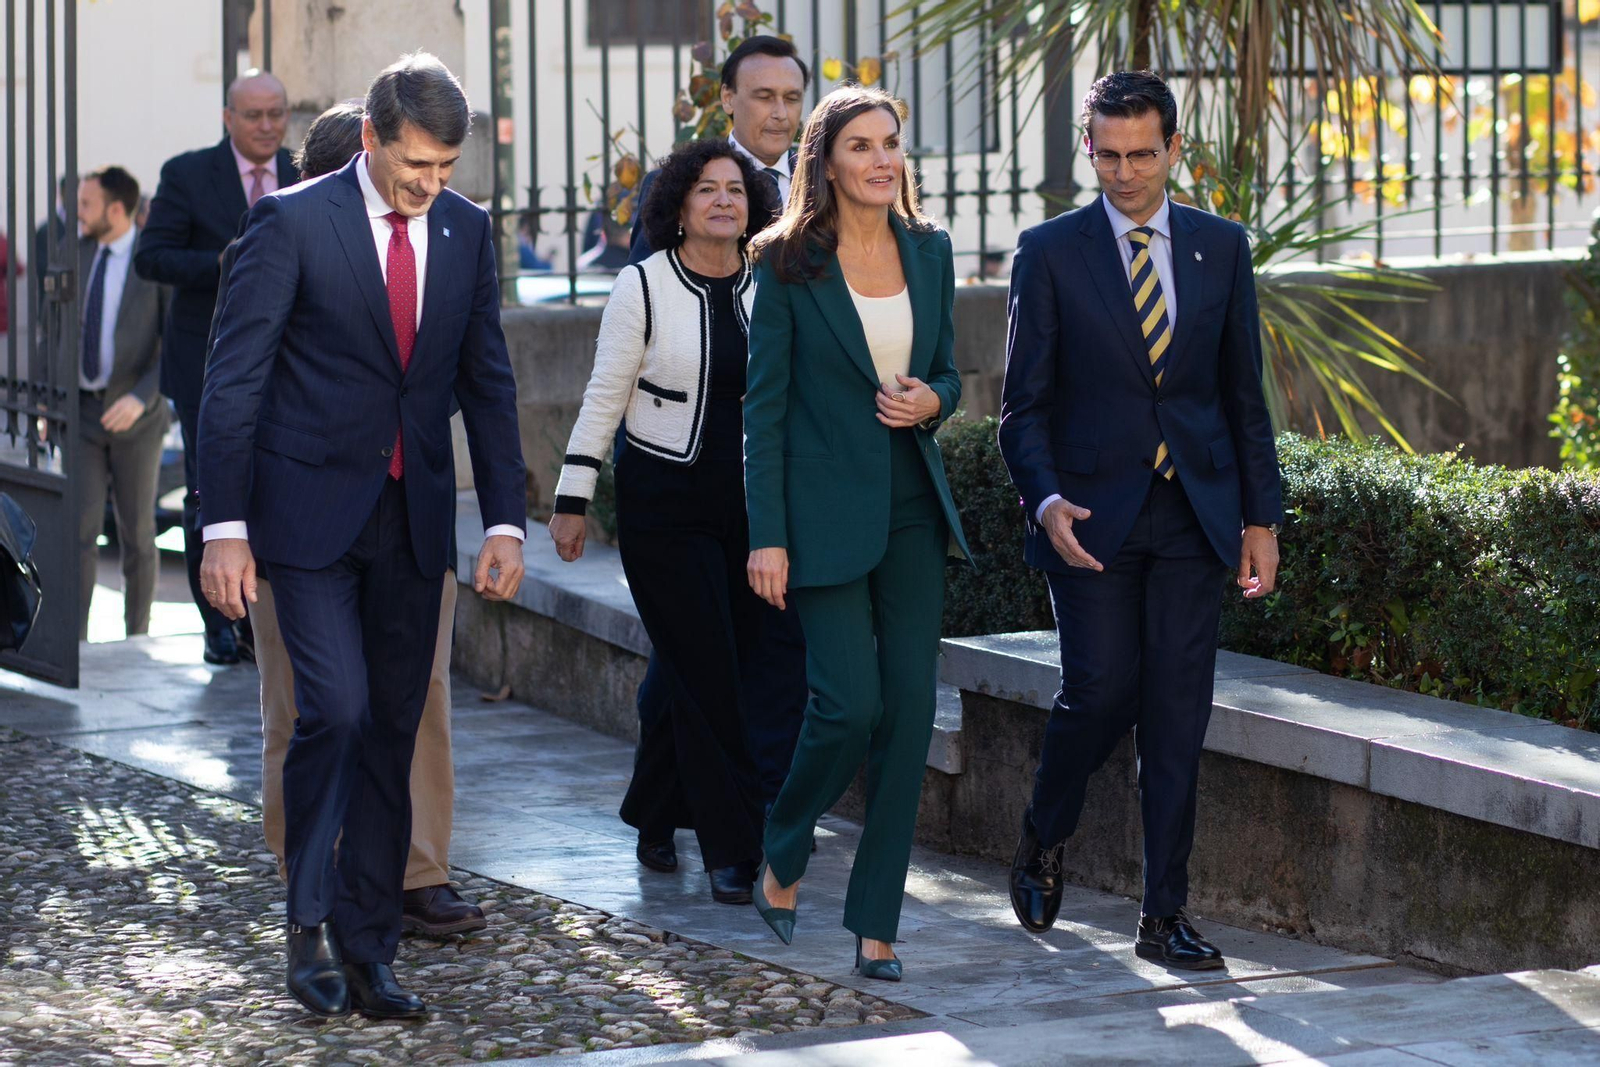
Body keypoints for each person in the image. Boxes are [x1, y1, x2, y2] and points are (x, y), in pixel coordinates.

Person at [197, 52, 528, 1019]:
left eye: (446, 169)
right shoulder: (290, 222)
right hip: (303, 521)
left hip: (413, 518)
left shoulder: (467, 234)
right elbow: (234, 382)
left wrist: (504, 516)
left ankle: (371, 947)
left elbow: (489, 381)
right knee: (332, 712)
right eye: (416, 165)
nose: (431, 186)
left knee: (390, 727)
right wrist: (223, 527)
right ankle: (306, 926)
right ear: (373, 137)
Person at [998, 70, 1282, 971]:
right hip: (1089, 519)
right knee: (1100, 690)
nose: (1123, 173)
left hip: (1194, 516)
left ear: (1172, 150)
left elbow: (1244, 400)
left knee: (1175, 717)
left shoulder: (1220, 248)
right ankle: (1045, 831)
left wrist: (1260, 518)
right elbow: (1021, 409)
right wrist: (1044, 502)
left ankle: (1165, 915)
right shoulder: (1049, 252)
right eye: (1107, 154)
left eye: (1141, 155)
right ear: (1089, 147)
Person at [744, 86, 971, 982]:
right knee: (849, 705)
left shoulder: (932, 250)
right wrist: (768, 535)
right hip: (819, 518)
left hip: (913, 504)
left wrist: (934, 400)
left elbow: (949, 371)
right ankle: (784, 848)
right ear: (826, 160)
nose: (883, 160)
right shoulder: (785, 262)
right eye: (863, 145)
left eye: (892, 144)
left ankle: (877, 922)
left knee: (910, 712)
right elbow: (763, 410)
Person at [548, 139, 780, 904]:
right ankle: (735, 845)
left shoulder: (770, 285)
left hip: (751, 507)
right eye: (707, 189)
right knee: (708, 669)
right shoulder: (641, 284)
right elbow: (603, 394)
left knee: (721, 668)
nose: (723, 200)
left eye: (736, 191)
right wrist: (572, 498)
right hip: (662, 507)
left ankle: (654, 811)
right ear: (678, 205)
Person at [625, 33, 812, 837]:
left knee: (768, 646)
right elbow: (641, 320)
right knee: (694, 656)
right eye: (761, 96)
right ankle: (706, 813)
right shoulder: (688, 189)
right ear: (728, 100)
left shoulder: (821, 181)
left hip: (781, 463)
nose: (777, 111)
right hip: (688, 467)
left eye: (789, 97)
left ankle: (712, 804)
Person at [134, 69, 297, 667]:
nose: (265, 126)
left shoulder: (307, 173)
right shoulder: (187, 173)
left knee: (273, 487)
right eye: (252, 115)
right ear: (228, 118)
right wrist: (236, 264)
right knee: (211, 488)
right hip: (206, 362)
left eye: (275, 114)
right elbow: (152, 258)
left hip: (287, 364)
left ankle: (266, 620)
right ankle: (219, 625)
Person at [73, 166, 171, 641]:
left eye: (87, 204)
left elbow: (172, 342)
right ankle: (75, 643)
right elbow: (54, 332)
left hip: (138, 417)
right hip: (82, 414)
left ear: (116, 209)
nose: (78, 213)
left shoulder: (152, 261)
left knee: (137, 535)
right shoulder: (75, 253)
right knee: (79, 532)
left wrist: (140, 396)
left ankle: (137, 639)